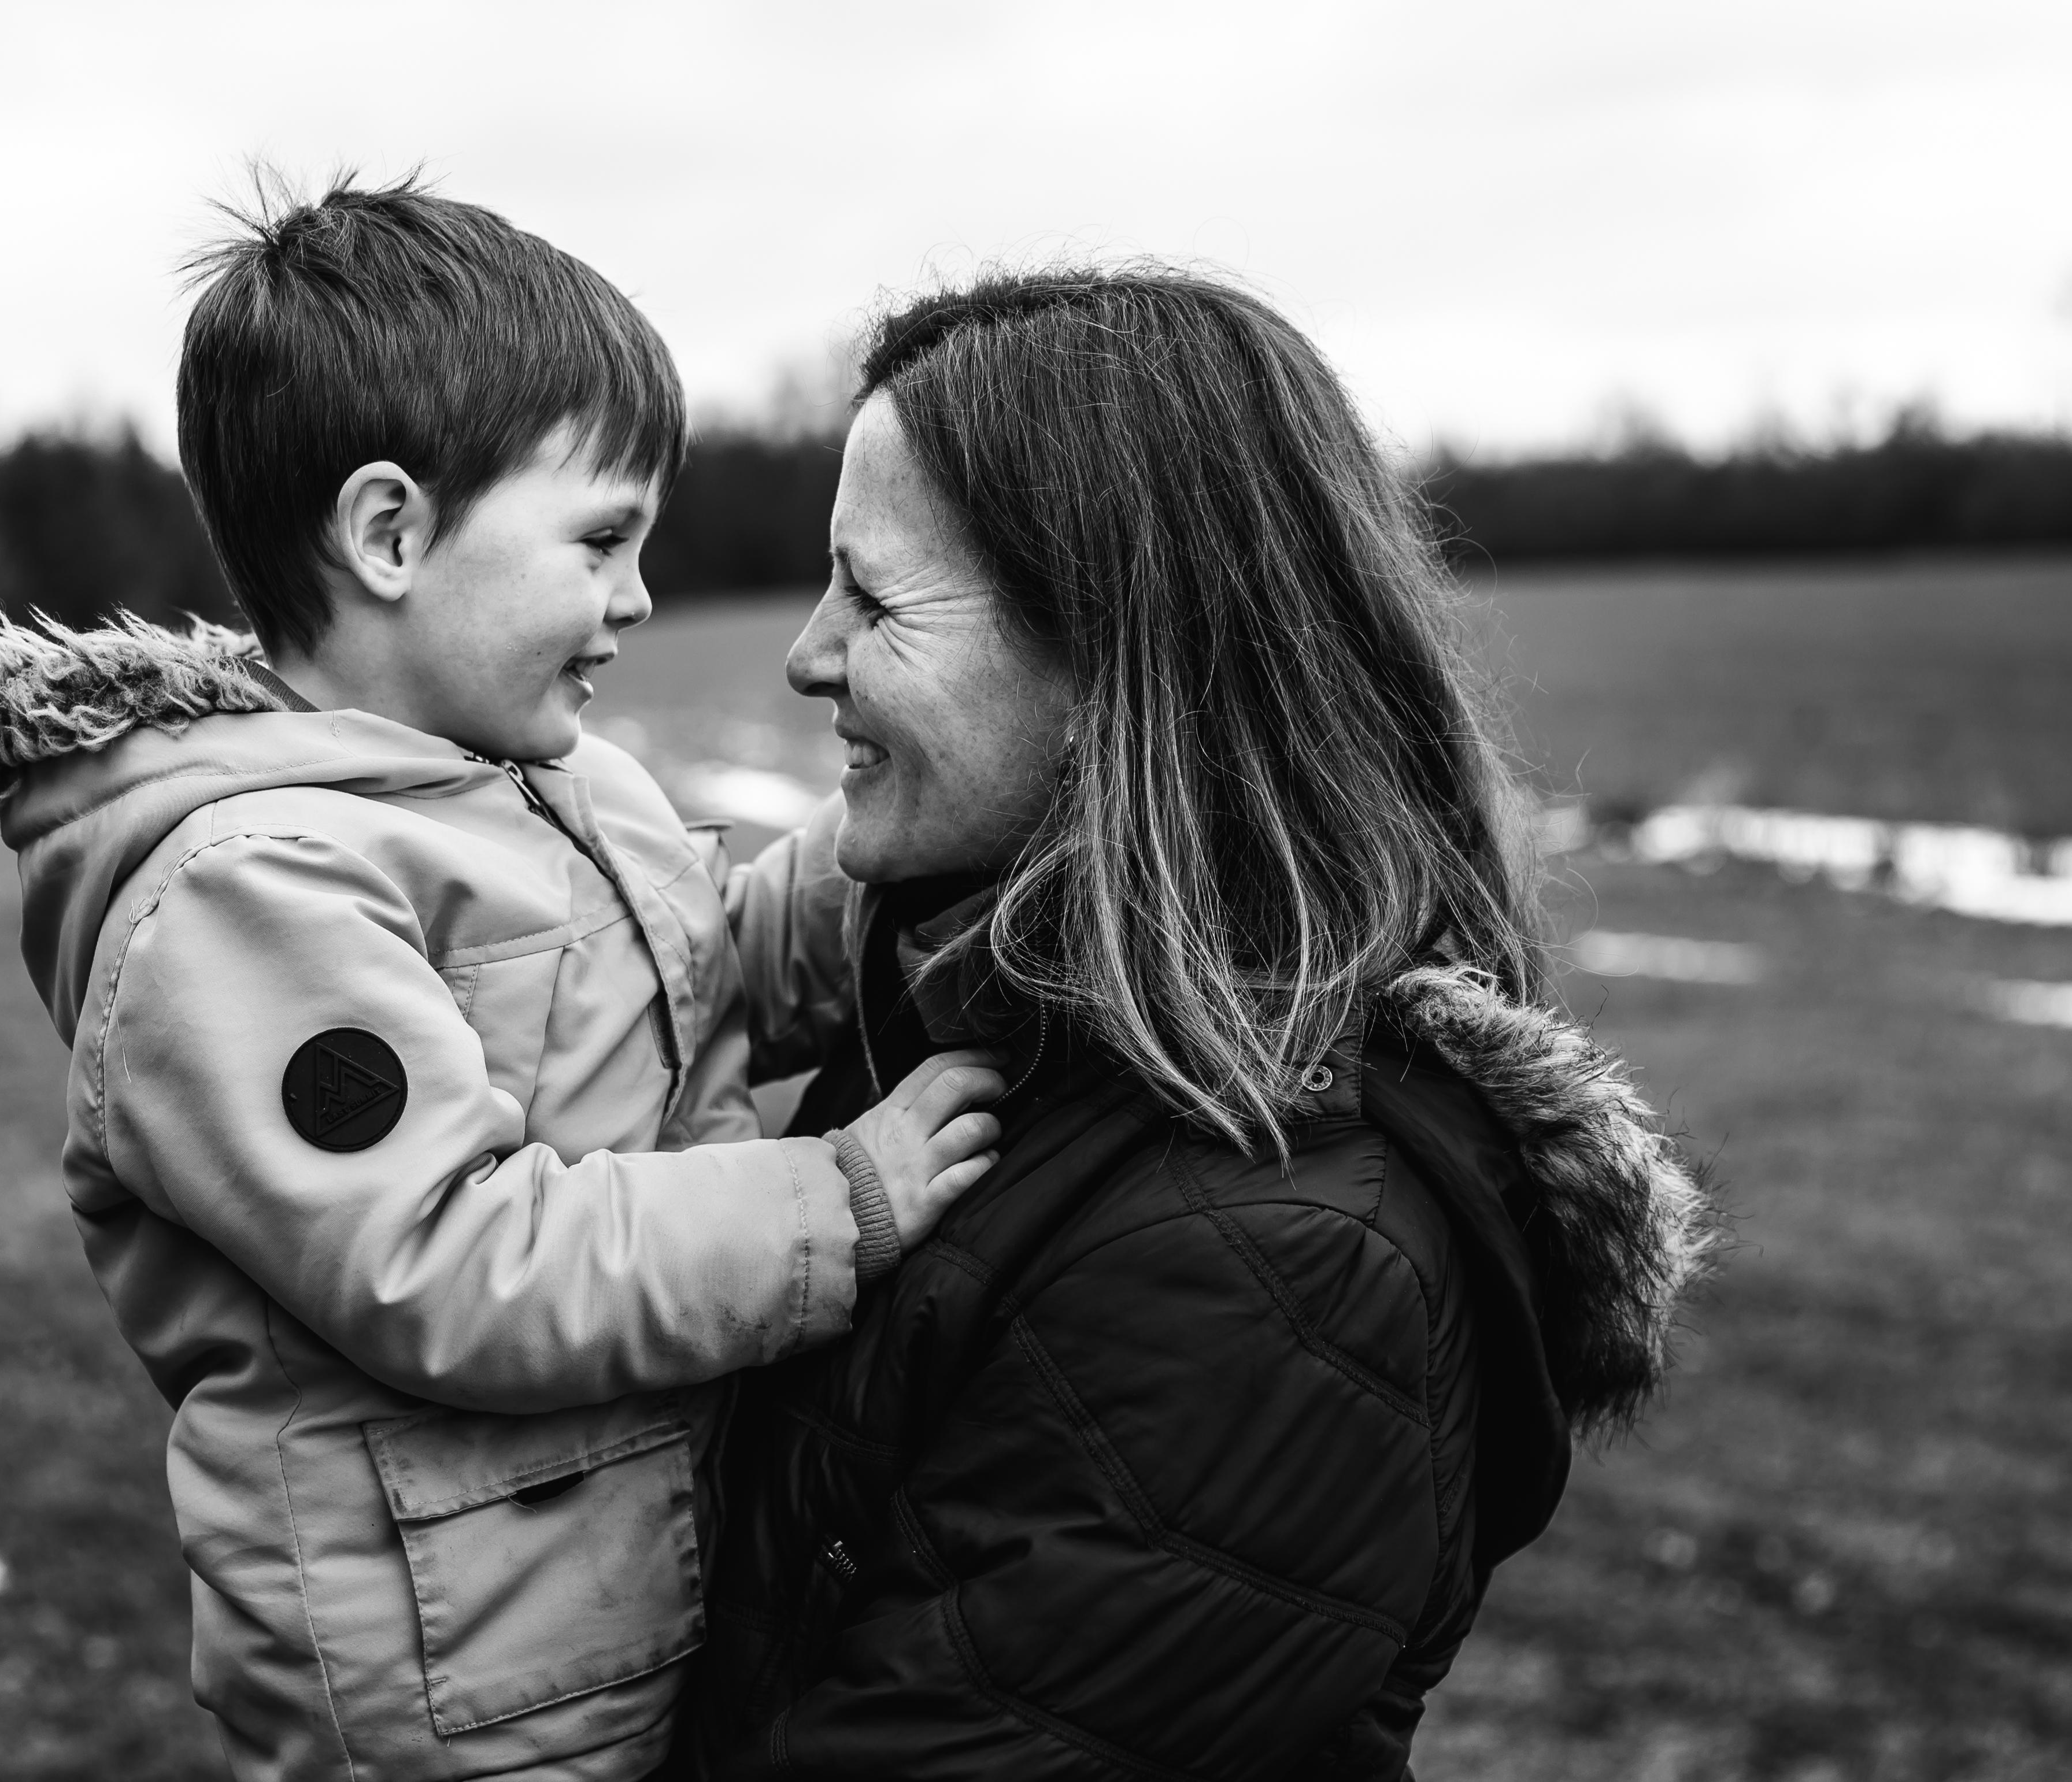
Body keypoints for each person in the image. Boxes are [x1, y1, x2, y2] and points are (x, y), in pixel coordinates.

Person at [0, 177, 1001, 1782]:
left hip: (618, 1585)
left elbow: (709, 978)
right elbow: (456, 1257)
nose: (635, 598)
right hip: (461, 1687)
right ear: (392, 533)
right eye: (601, 539)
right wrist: (835, 1201)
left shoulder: (554, 781)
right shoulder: (252, 894)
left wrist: (893, 833)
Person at [682, 268, 1720, 1780]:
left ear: (1111, 650)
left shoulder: (1281, 1267)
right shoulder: (982, 1010)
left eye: (877, 593)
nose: (807, 651)